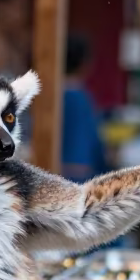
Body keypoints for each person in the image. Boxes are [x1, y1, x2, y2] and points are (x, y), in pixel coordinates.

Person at [61, 34, 108, 183]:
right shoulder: (82, 99)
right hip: (81, 179)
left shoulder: (49, 97)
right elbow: (95, 146)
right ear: (84, 64)